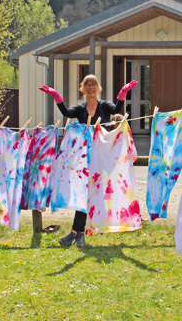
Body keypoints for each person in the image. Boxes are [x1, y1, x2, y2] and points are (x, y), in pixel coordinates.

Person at [39, 75, 138, 247]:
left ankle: (76, 233)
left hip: (102, 158)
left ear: (98, 87)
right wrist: (56, 96)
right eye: (87, 84)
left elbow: (117, 108)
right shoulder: (79, 109)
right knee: (84, 193)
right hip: (84, 158)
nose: (91, 87)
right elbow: (66, 113)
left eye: (93, 84)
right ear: (83, 88)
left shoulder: (105, 106)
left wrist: (123, 92)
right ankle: (77, 233)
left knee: (92, 194)